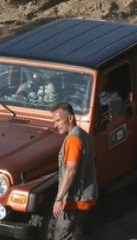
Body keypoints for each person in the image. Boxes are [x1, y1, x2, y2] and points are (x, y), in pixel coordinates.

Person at [51, 101, 98, 240]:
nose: (55, 125)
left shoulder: (73, 140)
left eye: (58, 120)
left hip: (74, 201)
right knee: (77, 235)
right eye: (54, 121)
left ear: (70, 118)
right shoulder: (83, 135)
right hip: (85, 198)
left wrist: (59, 198)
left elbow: (71, 170)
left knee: (62, 236)